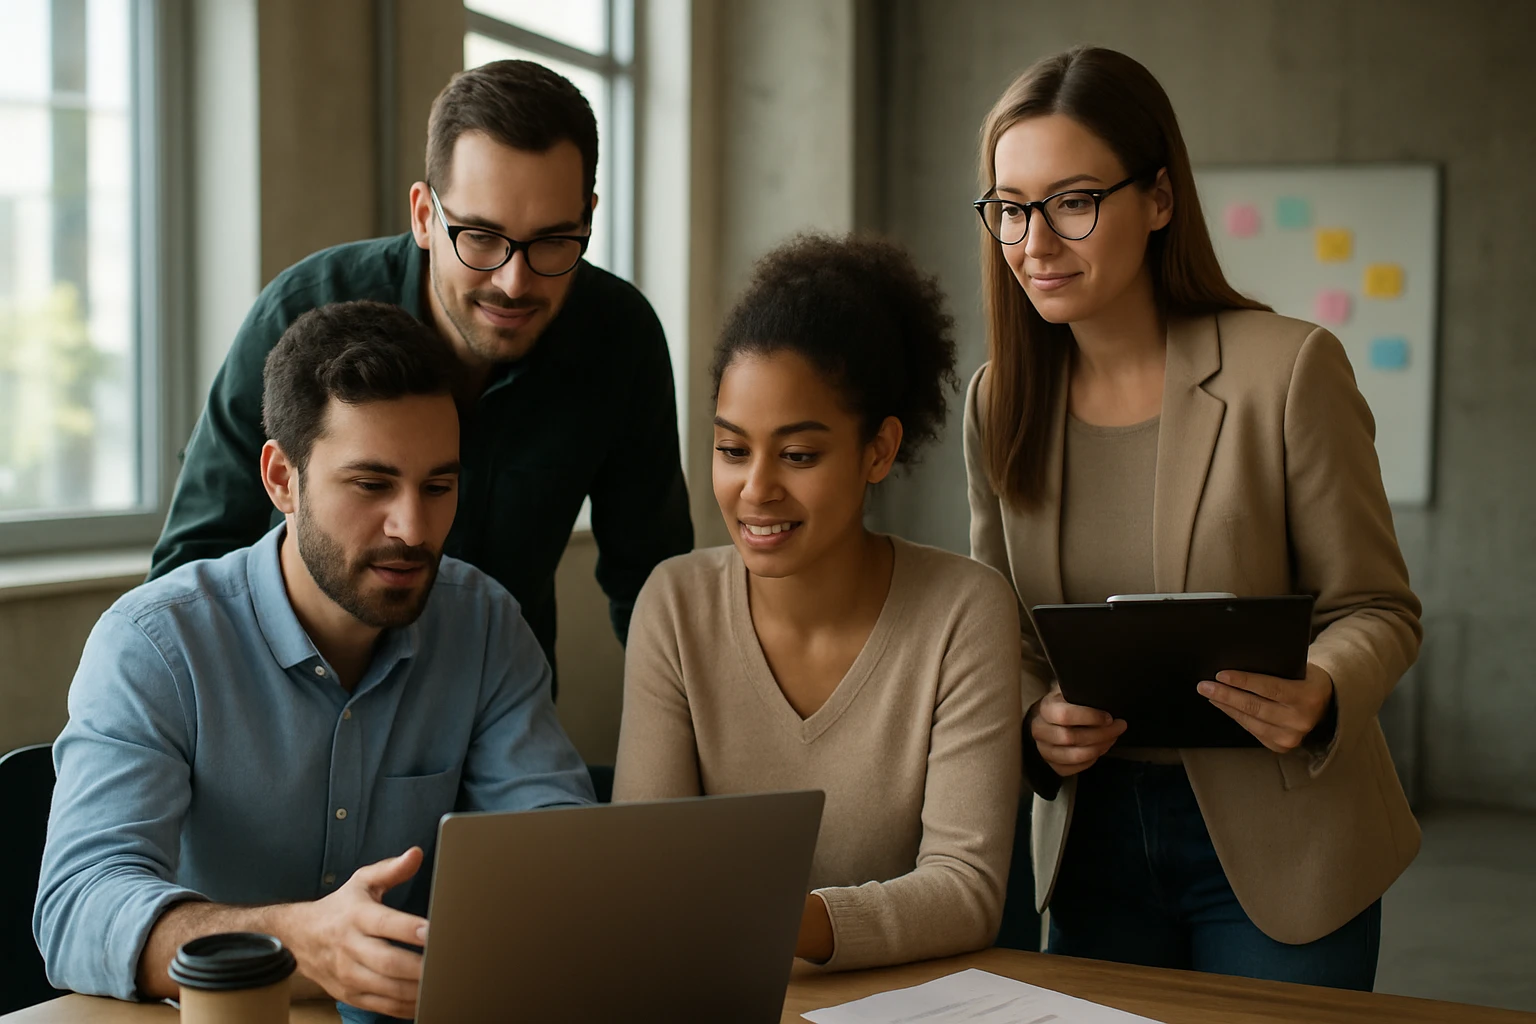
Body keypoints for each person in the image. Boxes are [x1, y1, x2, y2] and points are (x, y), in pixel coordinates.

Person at [964, 46, 1421, 988]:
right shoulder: (998, 399)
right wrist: (1032, 717)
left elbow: (1379, 607)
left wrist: (1322, 687)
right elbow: (999, 630)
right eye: (1011, 208)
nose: (1034, 243)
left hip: (1285, 841)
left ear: (1160, 199)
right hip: (1090, 843)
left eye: (1073, 201)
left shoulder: (1288, 371)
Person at [35, 302, 594, 1021]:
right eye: (371, 485)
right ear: (281, 479)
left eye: (438, 485)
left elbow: (559, 855)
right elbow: (78, 911)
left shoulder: (484, 625)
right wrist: (294, 938)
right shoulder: (155, 645)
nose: (414, 529)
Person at [149, 59, 693, 677]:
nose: (513, 282)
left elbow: (653, 587)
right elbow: (190, 570)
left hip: (497, 713)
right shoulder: (304, 311)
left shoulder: (619, 338)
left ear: (589, 219)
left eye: (552, 242)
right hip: (299, 707)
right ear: (424, 216)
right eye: (481, 237)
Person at [613, 235, 1023, 971]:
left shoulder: (964, 612)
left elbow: (966, 890)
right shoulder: (674, 606)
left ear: (878, 450)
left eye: (799, 455)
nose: (756, 488)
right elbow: (645, 875)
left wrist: (775, 921)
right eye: (732, 450)